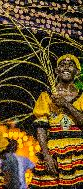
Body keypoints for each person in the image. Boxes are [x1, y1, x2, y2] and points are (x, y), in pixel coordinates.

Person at [30, 54, 83, 188]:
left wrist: (66, 105)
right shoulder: (45, 96)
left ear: (77, 71)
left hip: (79, 154)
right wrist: (46, 156)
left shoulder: (82, 96)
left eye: (70, 65)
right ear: (56, 70)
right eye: (62, 65)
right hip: (54, 154)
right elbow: (40, 128)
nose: (66, 67)